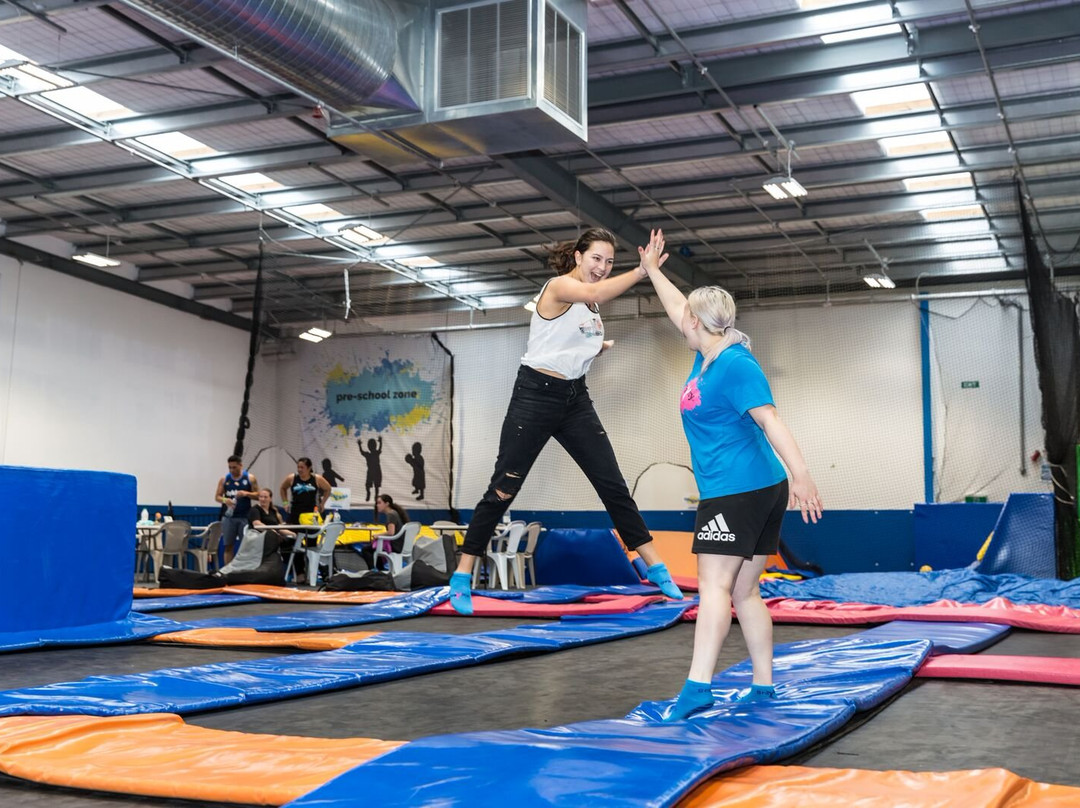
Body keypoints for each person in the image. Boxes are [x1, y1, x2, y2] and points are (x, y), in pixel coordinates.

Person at [448, 227, 684, 614]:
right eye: (596, 259)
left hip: (575, 399)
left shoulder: (590, 311)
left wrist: (598, 347)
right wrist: (643, 271)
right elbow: (592, 293)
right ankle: (462, 575)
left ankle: (655, 566)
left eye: (609, 262)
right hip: (534, 398)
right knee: (503, 489)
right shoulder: (559, 287)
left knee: (613, 484)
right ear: (578, 256)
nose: (603, 268)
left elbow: (571, 341)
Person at [639, 229, 822, 721]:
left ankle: (698, 687)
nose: (681, 321)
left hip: (737, 492)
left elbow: (771, 421)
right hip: (756, 488)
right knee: (745, 590)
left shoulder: (736, 366)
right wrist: (654, 271)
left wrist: (802, 475)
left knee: (715, 588)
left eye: (687, 318)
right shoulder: (708, 354)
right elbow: (679, 306)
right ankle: (763, 687)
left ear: (699, 323)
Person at [214, 455, 258, 563]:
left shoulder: (250, 478)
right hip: (229, 517)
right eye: (230, 467)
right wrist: (226, 500)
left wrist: (246, 493)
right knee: (228, 546)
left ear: (240, 465)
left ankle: (244, 571)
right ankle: (228, 573)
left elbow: (258, 495)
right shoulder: (225, 479)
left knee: (246, 546)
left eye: (234, 467)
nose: (232, 470)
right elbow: (217, 497)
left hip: (244, 517)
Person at [279, 457, 331, 525]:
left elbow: (328, 489)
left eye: (302, 467)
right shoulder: (292, 478)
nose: (299, 469)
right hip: (295, 512)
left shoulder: (317, 479)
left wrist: (322, 503)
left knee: (311, 534)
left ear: (309, 468)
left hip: (311, 513)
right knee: (292, 534)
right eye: (298, 467)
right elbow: (283, 488)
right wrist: (285, 503)